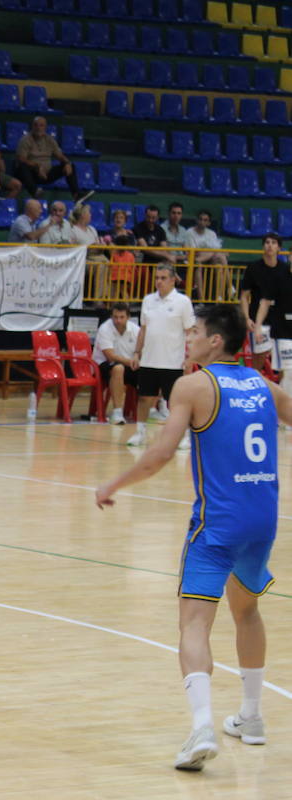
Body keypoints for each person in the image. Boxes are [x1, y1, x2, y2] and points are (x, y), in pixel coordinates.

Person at [96, 302, 289, 771]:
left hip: (217, 523)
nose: (189, 337)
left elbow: (160, 455)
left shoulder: (192, 386)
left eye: (195, 331)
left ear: (215, 340)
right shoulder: (266, 387)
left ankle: (202, 726)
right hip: (262, 518)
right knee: (247, 612)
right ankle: (252, 717)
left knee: (195, 624)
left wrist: (113, 484)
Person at [127, 265, 195, 448]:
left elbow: (190, 332)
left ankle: (184, 436)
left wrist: (190, 358)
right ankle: (140, 433)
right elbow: (143, 329)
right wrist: (136, 353)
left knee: (176, 402)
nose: (159, 281)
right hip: (149, 360)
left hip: (173, 362)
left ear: (173, 280)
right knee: (144, 398)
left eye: (163, 278)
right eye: (157, 277)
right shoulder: (148, 300)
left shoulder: (183, 302)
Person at [239, 232, 292, 383]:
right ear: (263, 246)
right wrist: (247, 318)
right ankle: (252, 389)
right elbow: (243, 296)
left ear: (279, 248)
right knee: (258, 360)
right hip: (259, 320)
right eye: (267, 242)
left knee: (285, 365)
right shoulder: (253, 268)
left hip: (281, 322)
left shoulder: (285, 270)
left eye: (273, 243)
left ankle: (282, 395)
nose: (270, 245)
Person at [13, 116, 87, 203]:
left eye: (41, 125)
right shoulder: (25, 140)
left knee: (70, 166)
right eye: (36, 125)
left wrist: (67, 163)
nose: (38, 128)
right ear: (32, 126)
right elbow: (21, 159)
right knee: (22, 166)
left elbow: (60, 155)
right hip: (31, 174)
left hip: (46, 174)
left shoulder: (50, 140)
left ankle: (76, 195)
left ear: (45, 127)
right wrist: (36, 166)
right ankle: (35, 191)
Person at [92, 302, 139, 426]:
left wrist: (136, 359)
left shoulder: (135, 329)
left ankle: (155, 409)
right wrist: (131, 362)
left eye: (121, 317)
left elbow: (141, 350)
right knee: (118, 368)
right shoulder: (105, 328)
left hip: (129, 364)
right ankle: (117, 412)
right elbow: (110, 356)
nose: (118, 320)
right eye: (115, 317)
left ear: (128, 317)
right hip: (103, 366)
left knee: (153, 369)